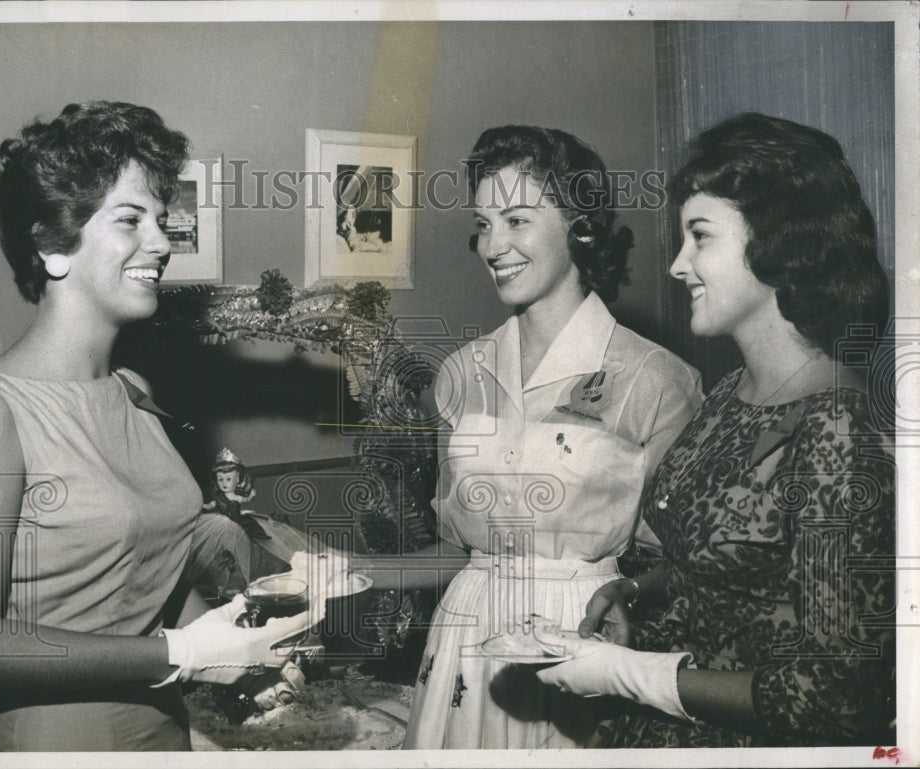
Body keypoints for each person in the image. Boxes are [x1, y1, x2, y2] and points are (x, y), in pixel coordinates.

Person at [0, 102, 314, 751]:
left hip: (166, 734)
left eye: (161, 221)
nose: (164, 242)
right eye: (131, 220)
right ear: (53, 245)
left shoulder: (135, 394)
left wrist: (239, 652)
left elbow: (150, 582)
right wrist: (184, 650)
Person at [537, 113, 895, 747]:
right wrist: (635, 590)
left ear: (780, 244)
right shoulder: (732, 391)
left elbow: (838, 697)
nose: (678, 266)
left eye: (700, 237)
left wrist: (626, 673)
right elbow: (732, 558)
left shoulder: (839, 431)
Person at [386, 125, 704, 749]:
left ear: (580, 225)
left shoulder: (656, 379)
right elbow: (455, 550)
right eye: (484, 224)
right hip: (466, 642)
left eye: (516, 220)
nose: (492, 245)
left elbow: (683, 567)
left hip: (585, 642)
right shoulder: (460, 374)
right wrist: (349, 572)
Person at [186, 447, 308, 601]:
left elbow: (242, 503)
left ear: (237, 479)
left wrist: (244, 511)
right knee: (224, 555)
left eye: (228, 479)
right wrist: (201, 507)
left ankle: (245, 580)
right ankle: (229, 584)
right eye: (220, 479)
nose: (224, 483)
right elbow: (210, 506)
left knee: (253, 547)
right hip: (222, 525)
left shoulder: (237, 496)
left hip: (239, 522)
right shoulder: (218, 497)